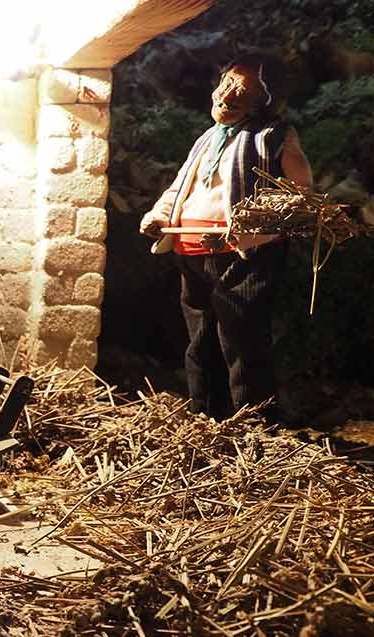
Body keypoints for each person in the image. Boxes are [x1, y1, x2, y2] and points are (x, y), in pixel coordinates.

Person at [140, 53, 313, 422]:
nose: (227, 96)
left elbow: (298, 199)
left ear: (264, 100)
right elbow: (181, 187)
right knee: (201, 341)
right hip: (191, 250)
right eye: (226, 85)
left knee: (242, 339)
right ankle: (207, 418)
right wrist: (158, 216)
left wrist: (245, 236)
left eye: (242, 90)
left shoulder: (273, 138)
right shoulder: (207, 138)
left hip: (244, 257)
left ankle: (253, 424)